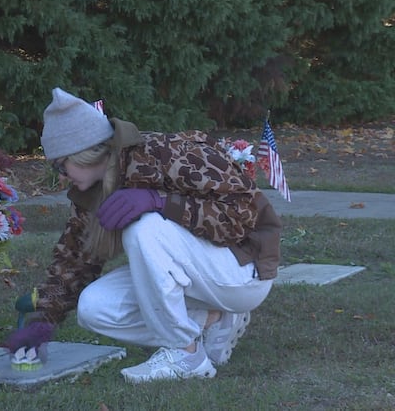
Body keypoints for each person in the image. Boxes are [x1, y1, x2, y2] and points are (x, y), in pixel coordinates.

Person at [15, 87, 282, 383]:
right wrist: (42, 323)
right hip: (201, 276)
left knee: (144, 228)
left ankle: (185, 354)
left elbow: (242, 216)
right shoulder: (91, 192)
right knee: (93, 309)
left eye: (59, 165)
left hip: (243, 270)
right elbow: (73, 261)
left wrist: (162, 202)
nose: (60, 175)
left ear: (84, 152)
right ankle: (214, 319)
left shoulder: (167, 154)